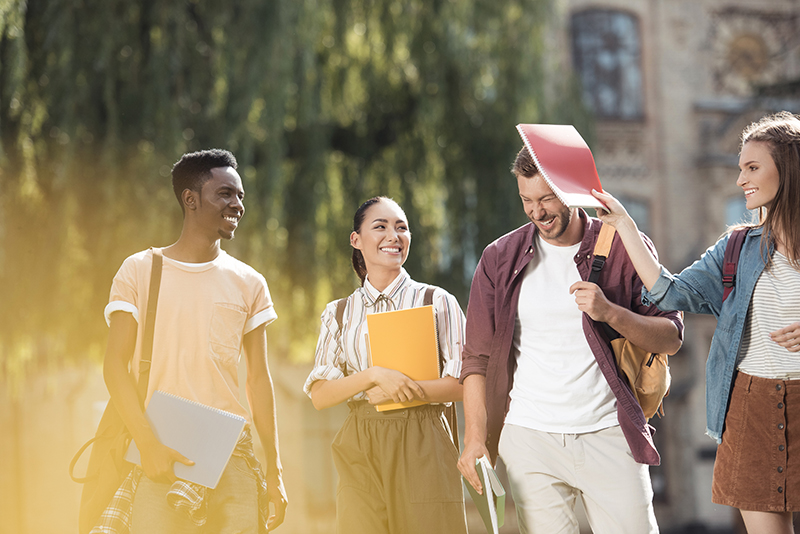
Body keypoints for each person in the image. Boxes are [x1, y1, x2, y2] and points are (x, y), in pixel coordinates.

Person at [458, 146, 684, 534]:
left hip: (609, 434)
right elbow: (476, 358)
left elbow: (671, 337)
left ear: (571, 192)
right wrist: (475, 438)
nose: (537, 212)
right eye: (527, 200)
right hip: (530, 438)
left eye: (546, 199)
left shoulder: (623, 246)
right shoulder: (500, 257)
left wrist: (611, 312)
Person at [593, 111, 800, 533]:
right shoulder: (737, 249)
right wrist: (626, 226)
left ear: (790, 170)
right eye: (740, 167)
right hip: (751, 408)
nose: (741, 179)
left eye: (753, 167)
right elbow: (670, 292)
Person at [99, 149, 287, 533]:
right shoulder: (139, 271)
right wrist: (147, 445)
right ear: (190, 199)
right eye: (225, 194)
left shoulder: (249, 283)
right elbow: (114, 366)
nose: (237, 204)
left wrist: (275, 471)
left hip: (231, 456)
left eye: (240, 196)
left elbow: (258, 381)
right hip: (158, 453)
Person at [303, 196, 468, 534]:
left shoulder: (436, 301)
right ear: (356, 239)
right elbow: (320, 395)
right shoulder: (338, 312)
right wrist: (373, 376)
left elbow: (464, 383)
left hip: (423, 436)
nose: (394, 236)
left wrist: (405, 392)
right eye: (380, 227)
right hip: (360, 439)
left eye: (402, 228)